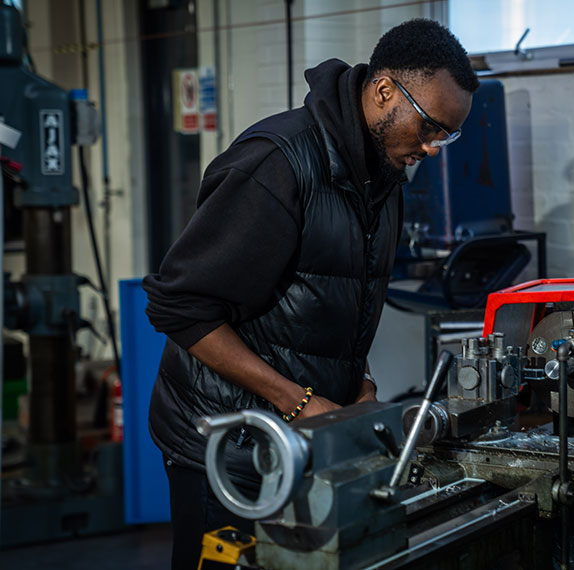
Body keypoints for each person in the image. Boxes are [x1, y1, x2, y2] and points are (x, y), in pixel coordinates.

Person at [143, 17, 479, 569]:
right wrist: (294, 400)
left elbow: (343, 296)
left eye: (447, 134)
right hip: (229, 443)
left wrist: (360, 382)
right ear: (384, 90)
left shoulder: (383, 177)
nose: (434, 147)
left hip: (306, 437)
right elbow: (180, 307)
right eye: (429, 126)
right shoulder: (277, 164)